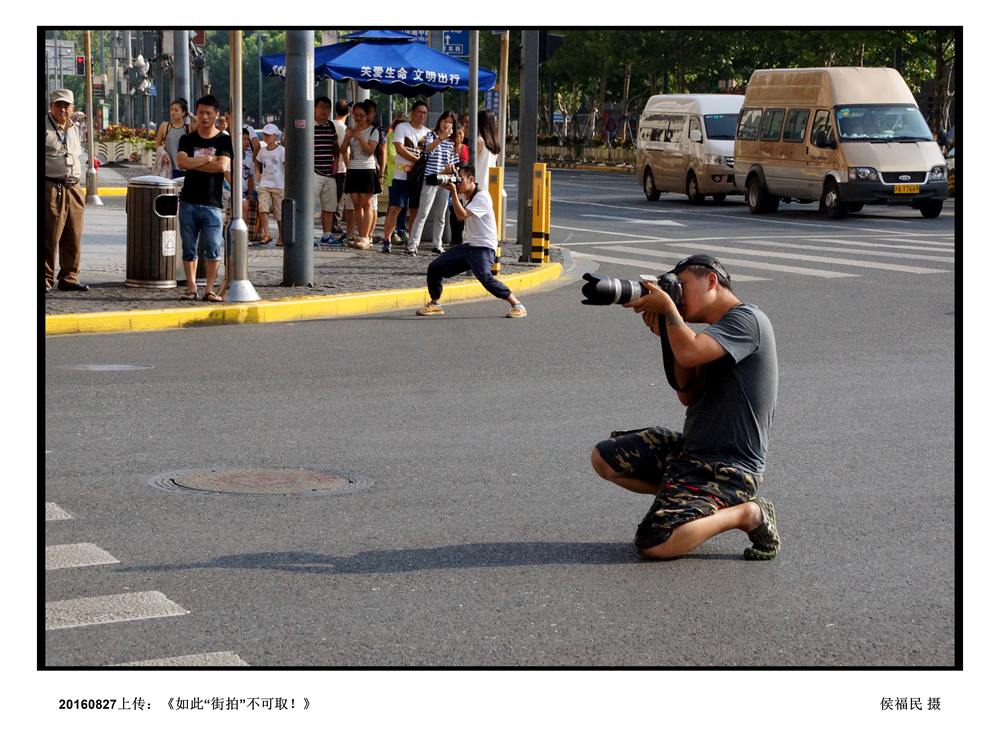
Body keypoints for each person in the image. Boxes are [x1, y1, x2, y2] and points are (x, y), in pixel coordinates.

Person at [590, 254, 781, 560]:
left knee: (654, 544)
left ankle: (747, 513)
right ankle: (684, 497)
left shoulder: (748, 320)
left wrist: (668, 310)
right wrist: (666, 332)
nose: (677, 293)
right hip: (692, 453)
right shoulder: (710, 333)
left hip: (728, 469)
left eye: (683, 284)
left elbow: (690, 353)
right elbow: (687, 394)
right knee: (606, 458)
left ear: (712, 280)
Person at [416, 163, 526, 319]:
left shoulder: (482, 196)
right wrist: (444, 174)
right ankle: (435, 303)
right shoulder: (464, 191)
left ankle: (517, 304)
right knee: (435, 268)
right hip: (467, 246)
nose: (457, 183)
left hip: (483, 247)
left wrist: (453, 192)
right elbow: (432, 181)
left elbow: (461, 216)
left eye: (460, 180)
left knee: (485, 278)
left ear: (471, 179)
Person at [175, 94, 233, 302]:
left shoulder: (224, 139)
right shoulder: (187, 138)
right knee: (189, 247)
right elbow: (181, 163)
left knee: (213, 248)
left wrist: (195, 161)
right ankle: (191, 287)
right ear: (196, 114)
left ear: (216, 115)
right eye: (201, 112)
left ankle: (209, 289)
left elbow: (221, 166)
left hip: (213, 203)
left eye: (209, 113)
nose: (204, 117)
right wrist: (207, 159)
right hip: (188, 200)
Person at [44, 88, 88, 292]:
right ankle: (44, 279)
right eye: (58, 105)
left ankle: (69, 278)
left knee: (73, 235)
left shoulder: (74, 128)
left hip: (74, 187)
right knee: (49, 237)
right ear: (51, 106)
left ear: (72, 108)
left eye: (66, 105)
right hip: (51, 186)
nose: (62, 109)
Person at [406, 111, 462, 257]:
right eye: (444, 120)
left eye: (450, 122)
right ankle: (412, 245)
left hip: (445, 180)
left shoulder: (452, 141)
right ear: (440, 121)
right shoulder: (431, 136)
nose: (446, 124)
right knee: (423, 212)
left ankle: (437, 244)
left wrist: (452, 169)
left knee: (441, 214)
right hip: (430, 178)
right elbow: (426, 153)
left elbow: (454, 161)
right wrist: (440, 139)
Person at [382, 100, 430, 254]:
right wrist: (418, 161)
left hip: (417, 178)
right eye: (419, 112)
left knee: (414, 210)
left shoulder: (428, 133)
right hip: (400, 175)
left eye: (424, 113)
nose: (422, 115)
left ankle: (411, 241)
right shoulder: (402, 128)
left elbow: (429, 154)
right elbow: (399, 148)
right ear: (412, 113)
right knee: (395, 207)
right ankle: (387, 239)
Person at [340, 102, 380, 249]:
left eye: (361, 115)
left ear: (367, 115)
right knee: (356, 204)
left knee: (367, 203)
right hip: (353, 169)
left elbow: (370, 150)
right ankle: (361, 235)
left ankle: (365, 236)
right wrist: (347, 137)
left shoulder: (373, 131)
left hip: (367, 170)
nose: (358, 118)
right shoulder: (350, 130)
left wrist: (359, 137)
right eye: (356, 115)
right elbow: (342, 149)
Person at [313, 96, 341, 247]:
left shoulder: (331, 125)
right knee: (309, 206)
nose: (324, 111)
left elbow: (335, 147)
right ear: (314, 108)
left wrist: (336, 162)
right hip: (313, 171)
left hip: (329, 171)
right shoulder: (308, 125)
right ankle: (307, 235)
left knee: (330, 206)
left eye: (327, 108)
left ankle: (327, 235)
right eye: (321, 107)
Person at [255, 122, 286, 247]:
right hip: (265, 184)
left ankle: (282, 236)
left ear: (275, 136)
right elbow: (257, 163)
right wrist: (258, 174)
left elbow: (286, 166)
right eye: (265, 135)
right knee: (263, 208)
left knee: (279, 213)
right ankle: (266, 234)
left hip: (279, 185)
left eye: (269, 135)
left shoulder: (282, 150)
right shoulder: (262, 151)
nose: (266, 137)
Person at [363, 99, 387, 246]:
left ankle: (370, 234)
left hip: (374, 170)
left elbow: (383, 153)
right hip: (360, 170)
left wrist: (381, 174)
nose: (367, 115)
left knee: (372, 204)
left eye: (369, 112)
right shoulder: (359, 128)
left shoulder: (378, 130)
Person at [156, 99, 191, 178]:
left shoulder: (188, 128)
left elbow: (199, 123)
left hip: (185, 169)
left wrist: (191, 115)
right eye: (171, 110)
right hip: (169, 168)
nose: (173, 112)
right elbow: (157, 144)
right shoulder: (165, 126)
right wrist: (162, 153)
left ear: (183, 113)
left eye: (176, 110)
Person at [332, 98, 350, 242]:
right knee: (339, 198)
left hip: (328, 166)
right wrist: (349, 166)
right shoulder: (343, 128)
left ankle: (332, 223)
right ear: (348, 112)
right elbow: (344, 150)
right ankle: (335, 224)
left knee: (331, 197)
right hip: (341, 168)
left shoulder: (330, 124)